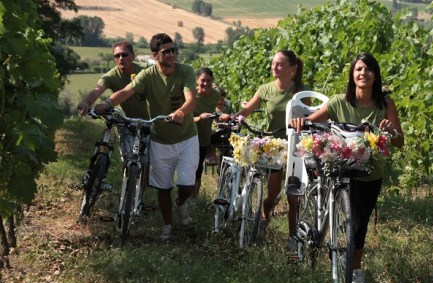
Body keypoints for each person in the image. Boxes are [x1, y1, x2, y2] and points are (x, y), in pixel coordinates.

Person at [291, 52, 404, 283]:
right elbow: (313, 120)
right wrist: (301, 122)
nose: (364, 73)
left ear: (375, 75)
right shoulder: (338, 102)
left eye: (368, 69)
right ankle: (351, 266)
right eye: (359, 69)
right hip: (342, 169)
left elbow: (399, 141)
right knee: (353, 222)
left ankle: (353, 266)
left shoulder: (385, 104)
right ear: (352, 75)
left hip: (370, 172)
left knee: (360, 224)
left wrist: (390, 132)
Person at [95, 33, 198, 241]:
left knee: (187, 186)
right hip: (159, 140)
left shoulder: (185, 71)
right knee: (163, 187)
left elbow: (191, 99)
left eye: (174, 50)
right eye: (166, 52)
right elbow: (126, 91)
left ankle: (180, 203)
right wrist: (107, 103)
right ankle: (167, 226)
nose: (172, 55)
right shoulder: (147, 75)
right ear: (155, 55)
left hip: (187, 138)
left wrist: (180, 112)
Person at [221, 50, 306, 249]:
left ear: (291, 68)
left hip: (295, 147)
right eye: (273, 63)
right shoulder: (265, 89)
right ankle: (265, 214)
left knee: (293, 198)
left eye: (279, 64)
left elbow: (308, 118)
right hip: (274, 148)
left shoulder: (300, 92)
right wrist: (232, 117)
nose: (274, 67)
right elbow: (246, 110)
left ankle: (292, 239)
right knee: (273, 196)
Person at [78, 41, 149, 161]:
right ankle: (127, 173)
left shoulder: (145, 71)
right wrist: (86, 103)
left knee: (148, 160)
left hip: (150, 121)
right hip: (126, 122)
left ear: (133, 56)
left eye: (124, 54)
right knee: (128, 159)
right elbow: (96, 91)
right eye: (117, 56)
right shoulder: (111, 76)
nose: (121, 58)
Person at [192, 67, 220, 198]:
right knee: (190, 167)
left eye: (208, 80)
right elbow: (184, 117)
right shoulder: (191, 95)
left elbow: (213, 112)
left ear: (212, 80)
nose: (205, 83)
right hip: (189, 137)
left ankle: (194, 198)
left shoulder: (216, 95)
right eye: (203, 80)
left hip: (204, 138)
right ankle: (184, 196)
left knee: (198, 168)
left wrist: (219, 118)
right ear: (197, 80)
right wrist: (199, 118)